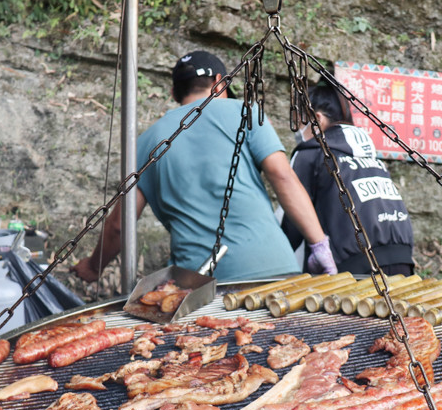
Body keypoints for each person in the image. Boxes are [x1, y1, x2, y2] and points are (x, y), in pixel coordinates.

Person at [72, 50, 336, 283]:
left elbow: (120, 225)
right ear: (219, 82)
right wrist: (319, 244)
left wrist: (94, 267)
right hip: (274, 270)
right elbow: (283, 176)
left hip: (201, 285)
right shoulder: (245, 111)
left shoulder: (145, 143)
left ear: (174, 93)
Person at [281, 81, 415, 275]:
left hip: (353, 264)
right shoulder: (368, 153)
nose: (298, 132)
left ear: (317, 119)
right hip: (402, 257)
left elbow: (293, 222)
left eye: (299, 124)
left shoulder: (311, 153)